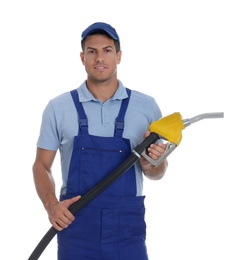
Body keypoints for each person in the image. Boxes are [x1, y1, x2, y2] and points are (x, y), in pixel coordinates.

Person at [32, 22, 168, 260]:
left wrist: (150, 164)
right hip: (76, 228)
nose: (99, 58)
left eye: (107, 50)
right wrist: (52, 206)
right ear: (82, 57)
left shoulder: (147, 107)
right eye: (92, 51)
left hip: (127, 232)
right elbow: (41, 166)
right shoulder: (58, 107)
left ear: (119, 56)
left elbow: (157, 172)